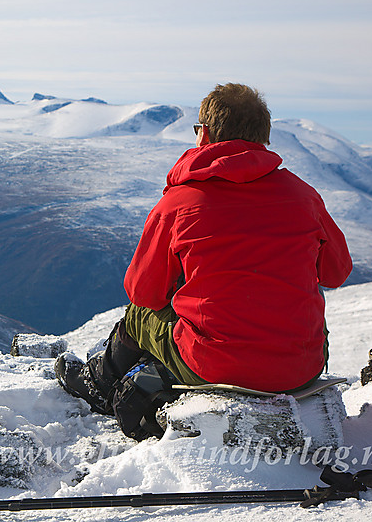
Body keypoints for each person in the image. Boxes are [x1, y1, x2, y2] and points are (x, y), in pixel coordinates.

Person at [56, 83, 352, 416]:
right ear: (263, 138)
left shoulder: (179, 203)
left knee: (140, 315)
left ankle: (97, 384)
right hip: (302, 368)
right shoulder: (304, 197)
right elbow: (336, 272)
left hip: (214, 367)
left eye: (198, 129)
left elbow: (143, 293)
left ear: (206, 135)